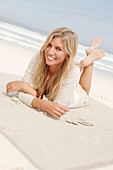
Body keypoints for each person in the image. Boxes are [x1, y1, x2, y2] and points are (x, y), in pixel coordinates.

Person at [6, 27, 105, 119]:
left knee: (84, 94)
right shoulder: (38, 57)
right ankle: (81, 64)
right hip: (59, 82)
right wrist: (43, 103)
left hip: (72, 93)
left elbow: (57, 107)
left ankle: (89, 58)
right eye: (49, 45)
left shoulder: (72, 72)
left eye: (58, 49)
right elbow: (20, 93)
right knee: (72, 70)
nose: (50, 52)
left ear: (68, 54)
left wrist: (25, 87)